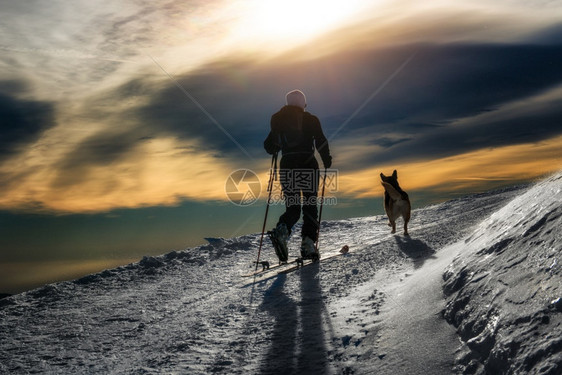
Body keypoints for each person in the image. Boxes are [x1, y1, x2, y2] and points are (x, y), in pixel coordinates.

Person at [263, 89, 332, 262]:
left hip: (287, 165)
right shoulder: (311, 119)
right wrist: (326, 159)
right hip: (308, 164)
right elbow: (320, 140)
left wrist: (279, 145)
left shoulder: (278, 121)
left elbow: (269, 146)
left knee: (293, 206)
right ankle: (308, 244)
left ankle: (282, 230)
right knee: (309, 205)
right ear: (302, 103)